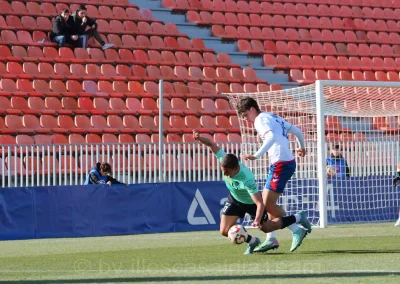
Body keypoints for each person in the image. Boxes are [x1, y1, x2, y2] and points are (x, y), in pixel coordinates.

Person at [193, 130, 311, 254]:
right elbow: (211, 144)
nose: (225, 174)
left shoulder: (247, 179)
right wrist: (200, 138)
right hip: (235, 199)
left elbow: (259, 203)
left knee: (267, 227)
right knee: (224, 231)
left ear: (235, 168)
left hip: (251, 204)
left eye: (227, 172)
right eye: (223, 171)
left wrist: (257, 219)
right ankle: (252, 241)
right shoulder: (225, 159)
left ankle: (298, 217)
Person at [236, 97, 309, 253]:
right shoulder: (272, 116)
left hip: (280, 164)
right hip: (285, 162)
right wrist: (302, 147)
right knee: (266, 203)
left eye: (245, 115)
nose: (246, 119)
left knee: (266, 204)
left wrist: (256, 155)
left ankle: (297, 224)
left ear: (251, 109)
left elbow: (271, 137)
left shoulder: (260, 120)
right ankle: (271, 238)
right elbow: (297, 131)